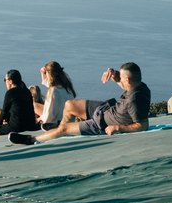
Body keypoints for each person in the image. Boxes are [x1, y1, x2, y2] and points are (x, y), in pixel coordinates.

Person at [10, 62, 151, 145]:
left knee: (63, 129)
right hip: (105, 109)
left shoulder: (134, 99)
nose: (119, 78)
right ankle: (61, 125)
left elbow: (142, 125)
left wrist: (118, 127)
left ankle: (32, 139)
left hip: (101, 123)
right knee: (70, 104)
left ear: (127, 79)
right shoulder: (139, 86)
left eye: (121, 76)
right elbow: (125, 85)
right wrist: (114, 75)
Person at [34, 61, 77, 129]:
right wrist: (43, 73)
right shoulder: (67, 87)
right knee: (36, 106)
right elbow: (47, 82)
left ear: (48, 74)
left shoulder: (53, 90)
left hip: (54, 123)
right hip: (67, 120)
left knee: (34, 105)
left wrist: (40, 120)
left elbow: (49, 113)